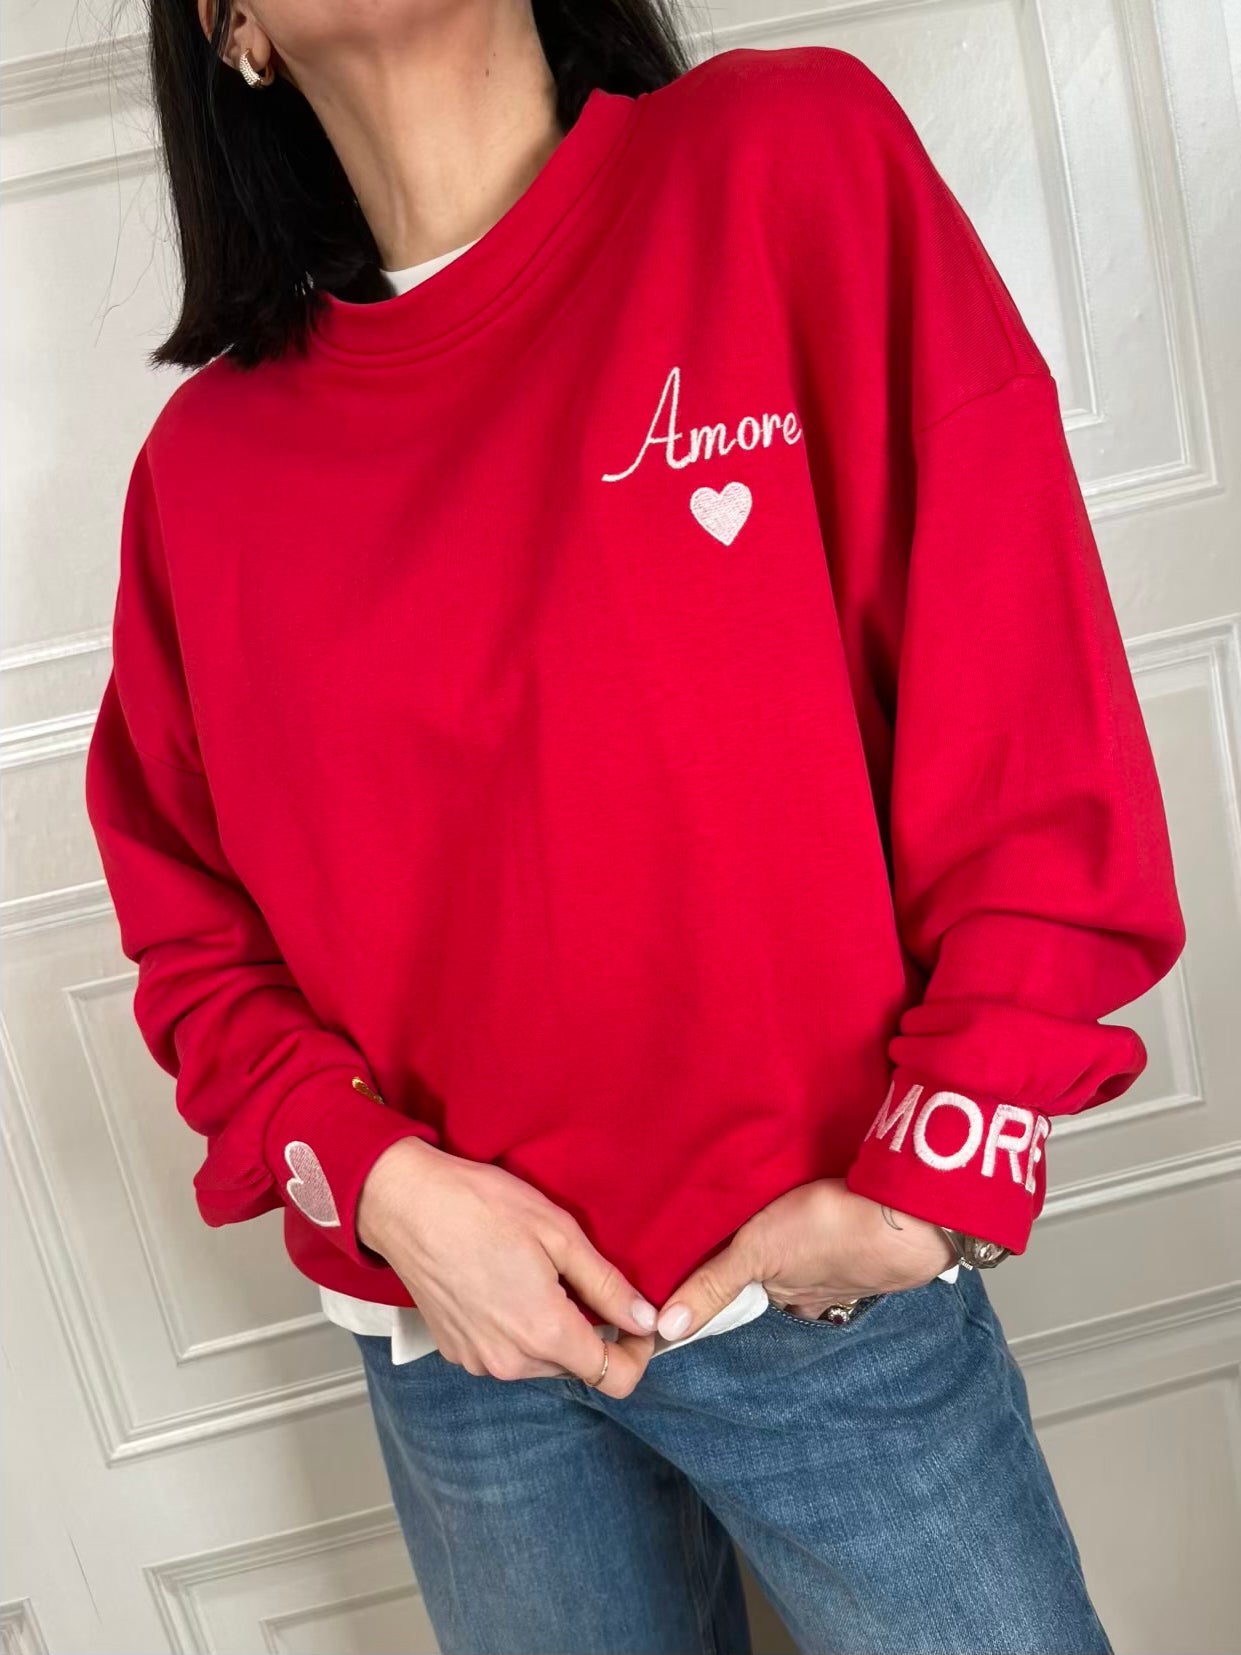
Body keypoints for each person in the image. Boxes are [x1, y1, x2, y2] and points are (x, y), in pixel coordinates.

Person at [84, 2, 1186, 1651]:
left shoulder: (776, 165)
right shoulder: (208, 473)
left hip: (819, 1299)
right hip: (463, 1355)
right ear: (230, 25)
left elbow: (1017, 684)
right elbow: (193, 935)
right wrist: (377, 1184)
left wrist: (940, 1168)